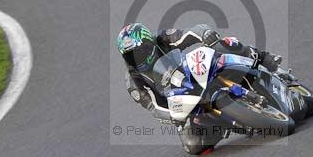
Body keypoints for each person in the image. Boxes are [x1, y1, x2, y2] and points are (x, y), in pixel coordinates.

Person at [117, 22, 282, 121]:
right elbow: (154, 107)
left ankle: (264, 58)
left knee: (223, 44)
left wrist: (205, 34)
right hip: (181, 100)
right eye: (131, 57)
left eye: (140, 52)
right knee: (194, 145)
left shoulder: (162, 39)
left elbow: (191, 32)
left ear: (149, 43)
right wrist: (173, 115)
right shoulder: (132, 80)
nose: (137, 59)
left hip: (194, 72)